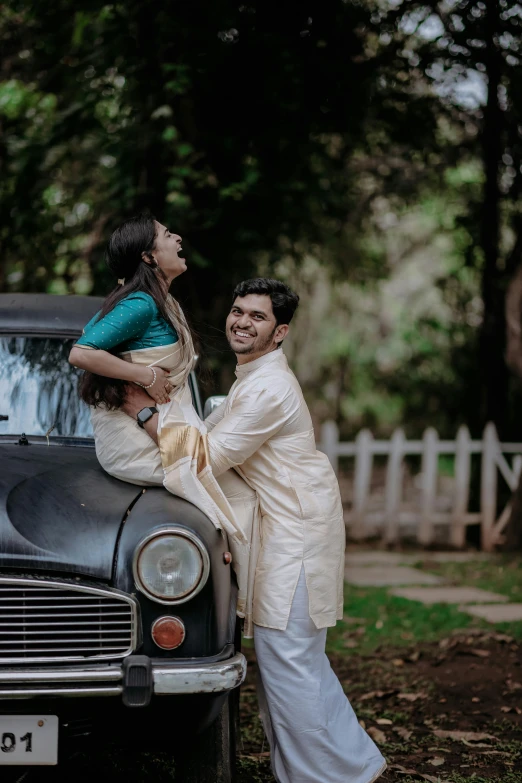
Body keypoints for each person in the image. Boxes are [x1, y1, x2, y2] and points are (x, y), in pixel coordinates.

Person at [122, 278, 387, 783]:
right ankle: (355, 767)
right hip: (285, 530)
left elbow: (206, 459)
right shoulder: (254, 376)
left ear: (280, 331)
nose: (242, 321)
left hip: (296, 538)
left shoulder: (268, 387)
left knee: (289, 666)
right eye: (238, 310)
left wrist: (143, 411)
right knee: (299, 664)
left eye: (258, 317)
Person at [68, 214, 255, 624]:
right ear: (150, 256)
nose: (178, 238)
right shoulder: (139, 303)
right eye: (168, 235)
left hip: (162, 427)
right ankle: (241, 611)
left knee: (242, 487)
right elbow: (80, 353)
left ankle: (245, 606)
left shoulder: (155, 300)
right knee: (241, 499)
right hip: (138, 442)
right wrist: (143, 374)